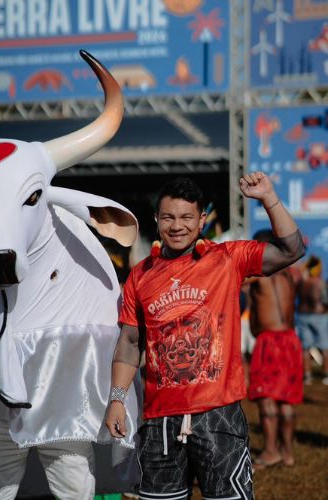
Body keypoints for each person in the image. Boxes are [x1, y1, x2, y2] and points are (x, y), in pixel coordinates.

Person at [105, 173, 305, 499]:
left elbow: (291, 248)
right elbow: (129, 342)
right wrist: (116, 398)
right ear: (156, 220)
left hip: (219, 416)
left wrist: (269, 197)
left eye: (186, 217)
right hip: (159, 422)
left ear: (201, 221)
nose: (177, 226)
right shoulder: (140, 276)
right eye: (168, 217)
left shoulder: (227, 259)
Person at [247, 230, 303, 468]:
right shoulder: (294, 275)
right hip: (290, 339)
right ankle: (287, 453)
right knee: (286, 400)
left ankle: (270, 452)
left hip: (270, 341)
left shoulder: (259, 274)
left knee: (267, 398)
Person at [297, 256, 327, 384]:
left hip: (303, 315)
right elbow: (326, 301)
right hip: (319, 316)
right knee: (325, 347)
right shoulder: (320, 283)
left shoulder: (303, 282)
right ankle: (326, 375)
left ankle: (307, 376)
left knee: (305, 348)